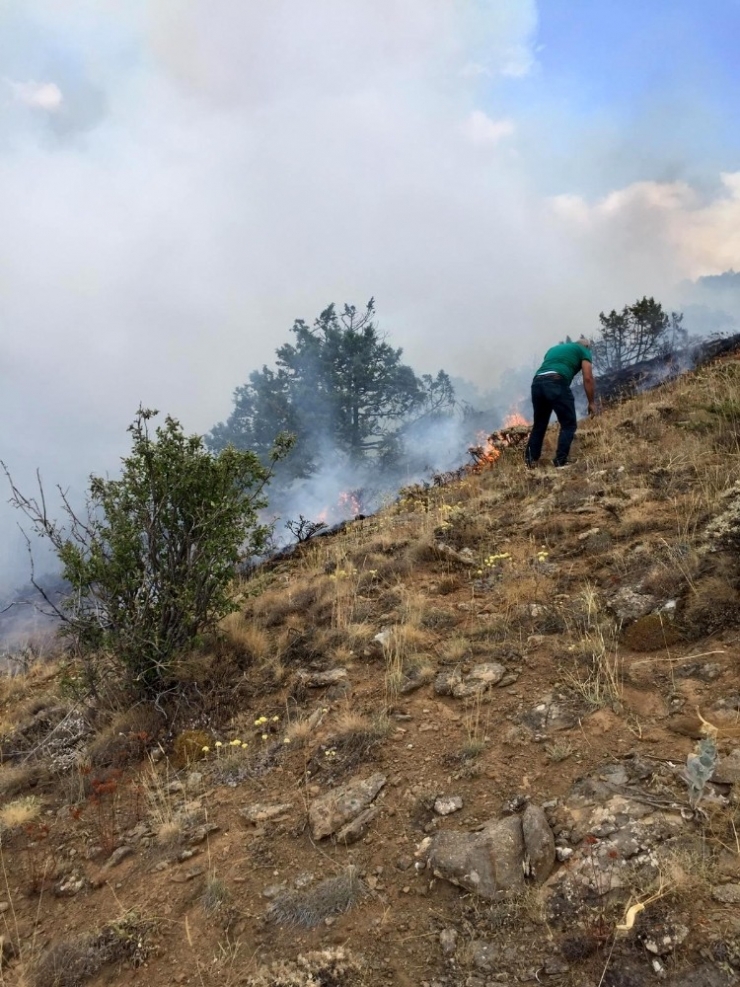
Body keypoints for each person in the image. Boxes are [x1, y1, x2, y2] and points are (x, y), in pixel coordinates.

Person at [524, 336, 596, 468]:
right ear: (586, 347)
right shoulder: (584, 350)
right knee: (568, 424)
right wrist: (591, 402)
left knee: (539, 425)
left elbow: (549, 365)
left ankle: (529, 461)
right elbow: (588, 378)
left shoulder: (553, 349)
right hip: (557, 381)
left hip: (537, 383)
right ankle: (560, 460)